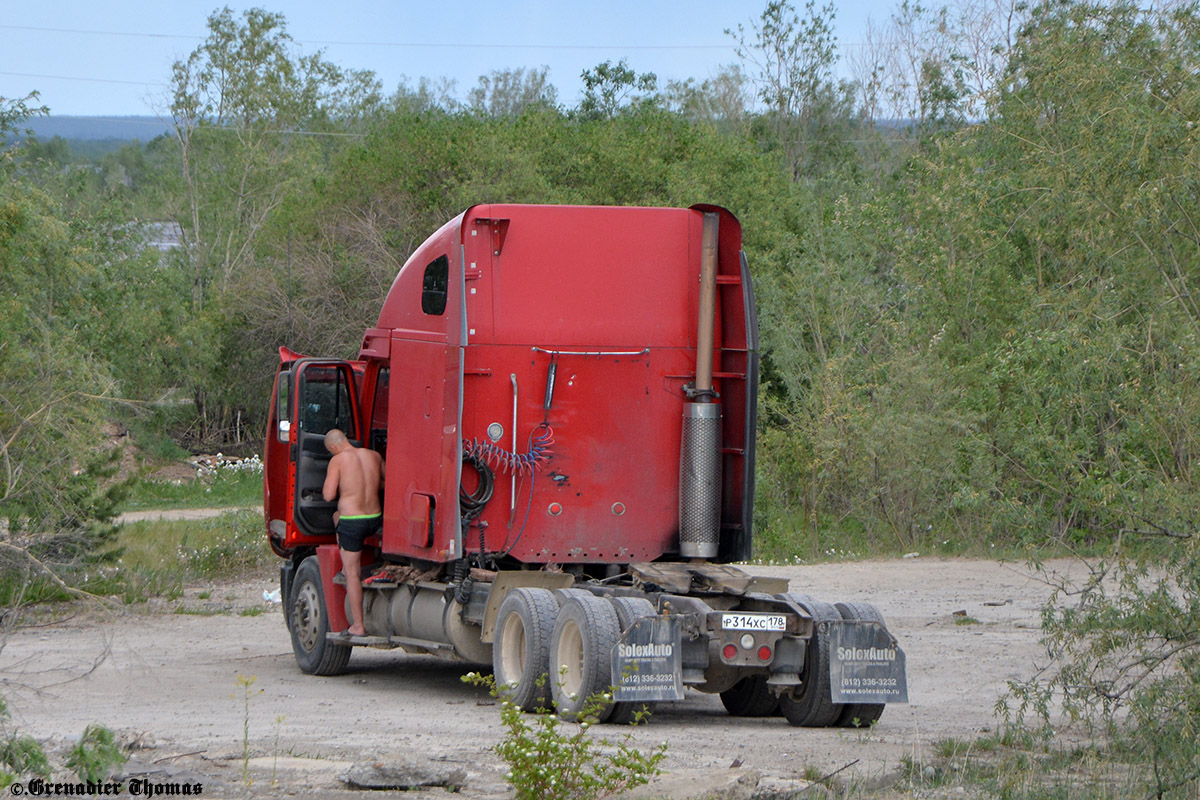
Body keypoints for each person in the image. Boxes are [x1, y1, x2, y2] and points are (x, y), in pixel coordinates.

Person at [322, 428, 384, 637]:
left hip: (352, 522)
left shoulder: (338, 460)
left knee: (352, 574)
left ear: (333, 447)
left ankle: (358, 625)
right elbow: (385, 482)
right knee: (340, 516)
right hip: (374, 519)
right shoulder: (373, 456)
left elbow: (329, 495)